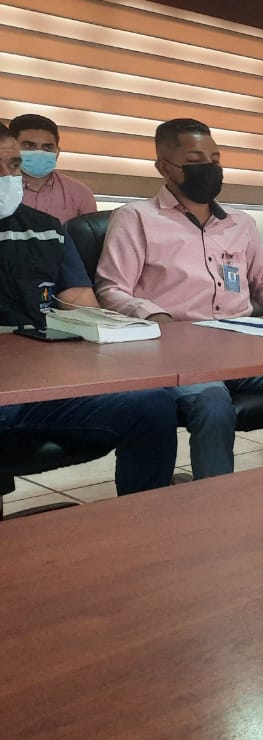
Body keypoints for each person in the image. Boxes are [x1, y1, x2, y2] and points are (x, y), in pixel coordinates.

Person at [96, 118, 263, 479]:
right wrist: (156, 317)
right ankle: (214, 502)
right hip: (177, 353)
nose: (210, 168)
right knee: (213, 403)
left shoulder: (241, 223)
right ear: (165, 167)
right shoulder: (136, 218)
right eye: (196, 160)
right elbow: (111, 289)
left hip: (244, 347)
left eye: (215, 159)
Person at [0, 123, 176, 497]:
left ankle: (146, 522)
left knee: (153, 403)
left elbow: (82, 307)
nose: (6, 177)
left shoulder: (47, 230)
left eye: (13, 166)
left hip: (38, 384)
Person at [9, 113, 98, 224]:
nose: (39, 152)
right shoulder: (3, 188)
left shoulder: (80, 193)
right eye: (29, 146)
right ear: (10, 147)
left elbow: (89, 233)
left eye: (47, 147)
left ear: (57, 152)